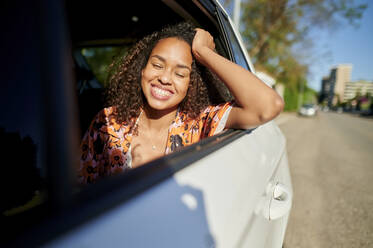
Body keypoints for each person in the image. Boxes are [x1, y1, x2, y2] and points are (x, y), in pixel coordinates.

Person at [78, 22, 284, 184]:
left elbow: (268, 105)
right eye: (157, 65)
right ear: (142, 69)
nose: (165, 78)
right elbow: (80, 189)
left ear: (191, 84)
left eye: (180, 73)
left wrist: (204, 52)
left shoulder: (200, 123)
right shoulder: (108, 121)